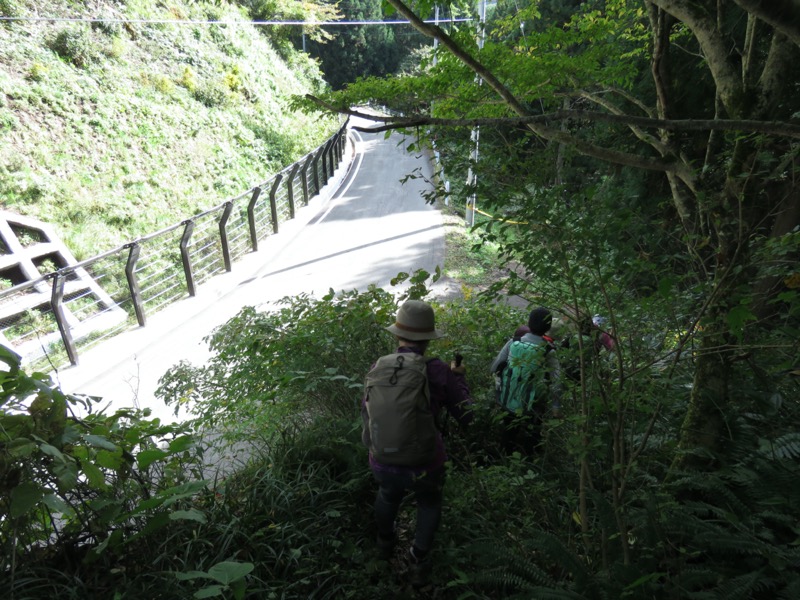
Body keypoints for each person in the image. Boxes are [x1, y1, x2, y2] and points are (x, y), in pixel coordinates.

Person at [361, 299, 473, 588]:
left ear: (398, 334)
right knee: (429, 502)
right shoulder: (437, 371)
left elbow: (367, 409)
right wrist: (459, 379)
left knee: (387, 494)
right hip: (425, 462)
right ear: (428, 338)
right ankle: (419, 561)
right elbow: (467, 415)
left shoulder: (379, 366)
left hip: (382, 458)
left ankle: (384, 544)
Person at [490, 307, 562, 455]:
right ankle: (531, 460)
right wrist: (556, 406)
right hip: (533, 403)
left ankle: (505, 457)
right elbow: (557, 381)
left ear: (529, 323)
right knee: (533, 435)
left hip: (508, 398)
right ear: (548, 327)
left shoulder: (513, 342)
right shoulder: (549, 350)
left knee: (508, 432)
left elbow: (495, 367)